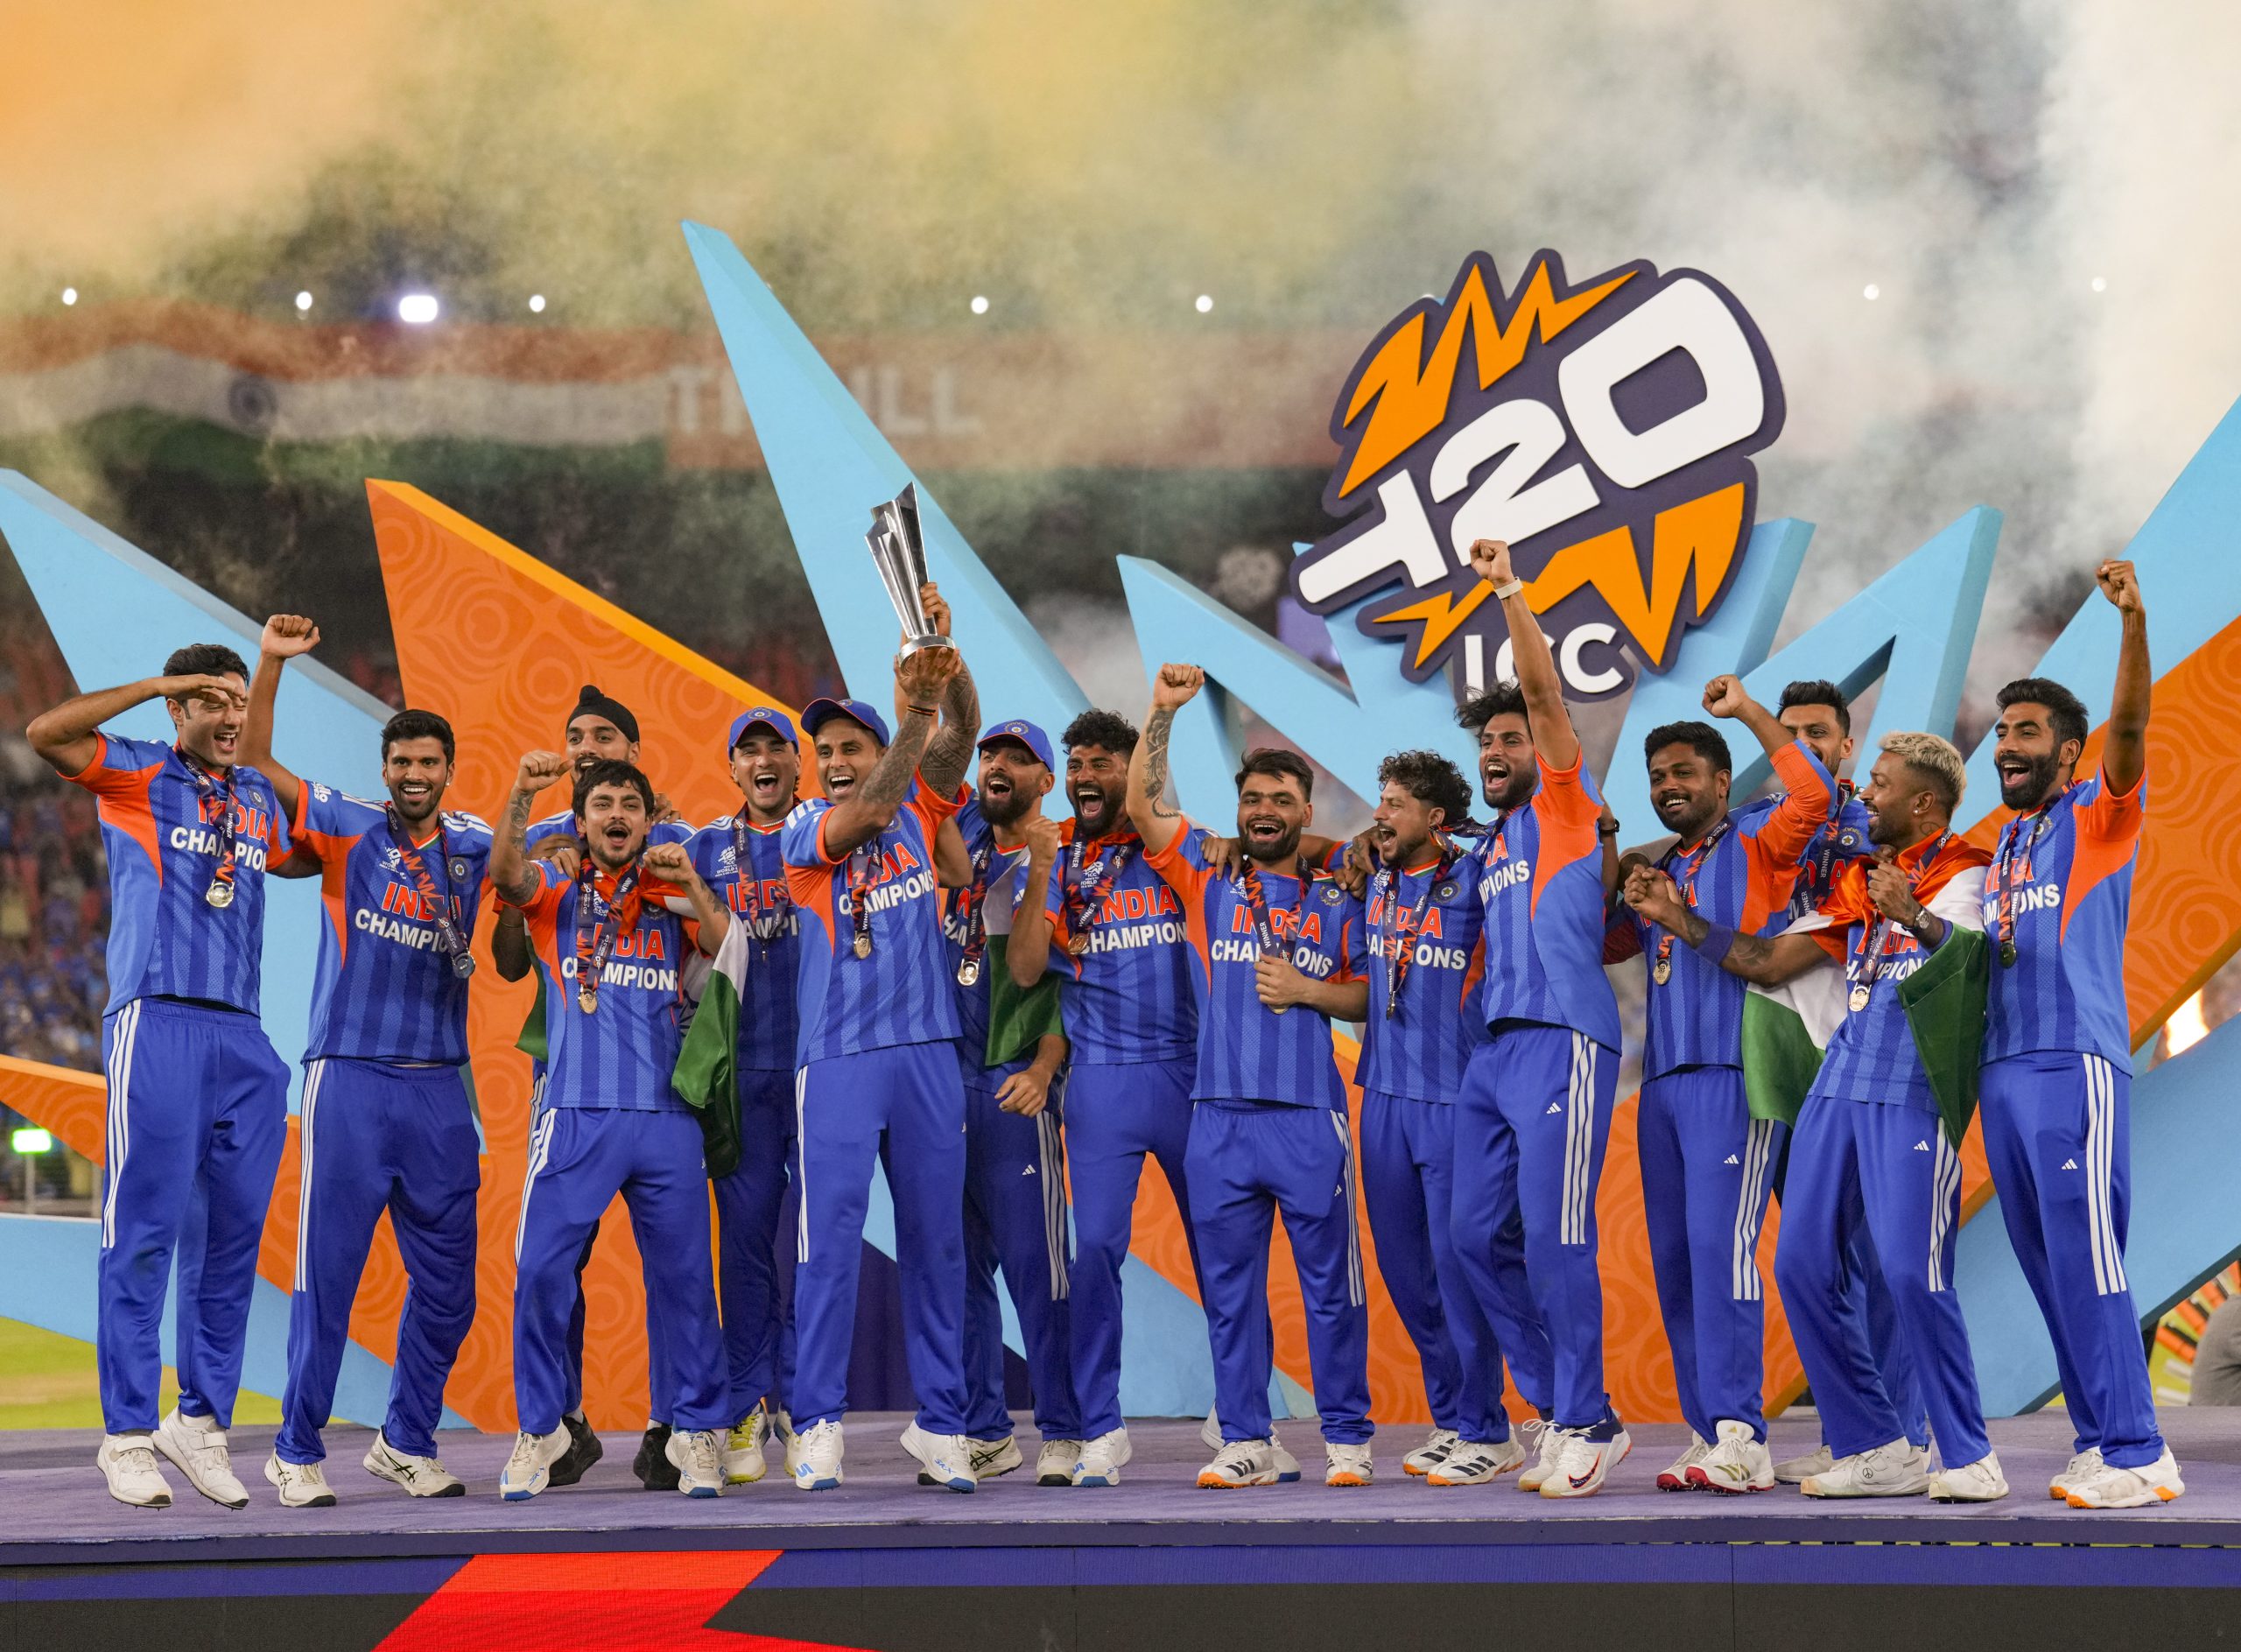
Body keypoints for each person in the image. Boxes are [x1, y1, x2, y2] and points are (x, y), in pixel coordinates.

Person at [1626, 732, 2007, 1501]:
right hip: (1839, 1079)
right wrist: (1677, 917)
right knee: (1800, 1262)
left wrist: (1917, 917)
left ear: (1923, 803)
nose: (1866, 794)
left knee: (1910, 1269)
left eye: (1882, 784)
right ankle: (1875, 1442)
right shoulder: (1862, 886)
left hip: (1908, 1083)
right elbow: (1767, 962)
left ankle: (1969, 1452)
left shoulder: (1966, 867)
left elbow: (1974, 964)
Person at [28, 643, 293, 1508]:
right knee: (143, 1234)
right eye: (208, 701)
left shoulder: (257, 799)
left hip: (244, 1036)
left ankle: (200, 1423)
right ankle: (128, 1436)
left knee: (231, 1246)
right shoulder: (137, 770)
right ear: (177, 711)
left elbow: (310, 853)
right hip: (158, 1018)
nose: (229, 716)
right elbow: (45, 733)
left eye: (237, 702)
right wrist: (152, 685)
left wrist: (269, 671)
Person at [242, 615, 488, 1505]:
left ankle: (406, 1440)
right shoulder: (347, 825)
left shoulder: (475, 846)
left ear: (449, 770)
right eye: (403, 761)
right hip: (348, 1075)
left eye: (429, 762)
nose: (415, 774)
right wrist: (271, 664)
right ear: (386, 769)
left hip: (439, 1088)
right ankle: (296, 1450)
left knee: (450, 1289)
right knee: (329, 1277)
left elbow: (548, 855)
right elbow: (257, 762)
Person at [1127, 665, 1374, 1489]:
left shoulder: (1340, 896)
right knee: (1229, 1292)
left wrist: (1307, 990)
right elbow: (1143, 808)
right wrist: (1162, 710)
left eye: (1281, 800)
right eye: (1253, 799)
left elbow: (1369, 996)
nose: (1264, 810)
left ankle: (1347, 1436)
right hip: (1218, 1119)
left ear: (1306, 812)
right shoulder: (1209, 874)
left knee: (1330, 1289)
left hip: (1307, 1116)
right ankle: (1247, 1438)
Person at [1980, 558, 2181, 1508]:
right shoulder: (2006, 841)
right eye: (2000, 731)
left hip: (2073, 1063)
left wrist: (2132, 622)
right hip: (2003, 1070)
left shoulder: (2098, 814)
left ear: (2069, 753)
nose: (2006, 745)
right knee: (2049, 1266)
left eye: (2026, 732)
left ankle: (2141, 1450)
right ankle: (2099, 1439)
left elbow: (2130, 729)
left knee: (2089, 1254)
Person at [1604, 678, 1832, 1493]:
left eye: (1684, 772)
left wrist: (1745, 712)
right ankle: (1708, 1433)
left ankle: (1742, 1433)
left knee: (1720, 1249)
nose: (1669, 786)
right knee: (1676, 1263)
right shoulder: (1662, 867)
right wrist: (1614, 861)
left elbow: (1816, 794)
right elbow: (1602, 942)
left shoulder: (1760, 836)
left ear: (1721, 780)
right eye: (1657, 777)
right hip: (1663, 1083)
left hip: (1738, 1073)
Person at [489, 754, 735, 1501]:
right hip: (575, 1114)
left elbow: (728, 947)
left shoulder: (671, 891)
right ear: (582, 818)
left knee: (687, 1284)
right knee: (540, 1272)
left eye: (630, 803)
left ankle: (696, 1430)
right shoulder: (556, 886)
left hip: (667, 1118)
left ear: (648, 818)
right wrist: (522, 794)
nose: (617, 815)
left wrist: (690, 881)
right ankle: (542, 1427)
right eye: (603, 803)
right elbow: (505, 877)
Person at [781, 605, 982, 1493]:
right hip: (839, 1057)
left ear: (878, 748)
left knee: (939, 1244)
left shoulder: (923, 804)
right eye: (823, 750)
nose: (834, 761)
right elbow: (864, 815)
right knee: (827, 1245)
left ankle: (943, 1423)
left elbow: (960, 734)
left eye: (849, 746)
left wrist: (945, 660)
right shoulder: (800, 830)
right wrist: (916, 712)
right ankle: (817, 1421)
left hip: (928, 1051)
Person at [1450, 538, 1630, 1498]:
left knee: (1558, 1238)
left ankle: (1589, 1420)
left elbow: (1543, 691)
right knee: (1473, 1238)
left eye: (1510, 738)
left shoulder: (1566, 805)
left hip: (1564, 1039)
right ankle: (1562, 1404)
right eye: (1486, 741)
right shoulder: (1486, 847)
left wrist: (1510, 591)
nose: (1495, 750)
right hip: (1493, 1058)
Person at [1010, 710, 1208, 1487]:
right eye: (1077, 764)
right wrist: (1037, 870)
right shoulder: (1059, 855)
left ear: (1132, 773)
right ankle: (1101, 1425)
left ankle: (1243, 1417)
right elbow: (1027, 971)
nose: (1087, 776)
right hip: (1101, 1079)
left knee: (1221, 1250)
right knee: (1093, 1249)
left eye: (1103, 763)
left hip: (1189, 1073)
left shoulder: (1173, 845)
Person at [1747, 680, 1929, 1485]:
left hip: (1859, 1045)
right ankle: (1855, 1432)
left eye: (1817, 733)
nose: (1804, 746)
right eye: (1789, 733)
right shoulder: (1758, 825)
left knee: (1879, 1249)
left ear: (1846, 745)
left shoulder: (1873, 825)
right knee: (1815, 1250)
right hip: (1783, 1051)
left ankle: (1904, 1432)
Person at [1356, 749, 1555, 1487]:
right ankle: (1454, 1417)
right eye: (1380, 801)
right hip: (1382, 1095)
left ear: (1435, 818)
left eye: (1395, 804)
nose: (1381, 814)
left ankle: (1488, 1427)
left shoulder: (1474, 879)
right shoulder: (1372, 874)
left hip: (1453, 1097)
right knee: (1406, 1274)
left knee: (1460, 1270)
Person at [937, 718, 1082, 1485]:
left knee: (1036, 1267)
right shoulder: (962, 824)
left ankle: (1064, 1426)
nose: (998, 764)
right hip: (942, 1083)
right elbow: (936, 757)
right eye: (991, 753)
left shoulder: (1067, 859)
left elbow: (1069, 981)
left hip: (1012, 1082)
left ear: (1046, 781)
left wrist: (1048, 1063)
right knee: (957, 1269)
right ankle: (985, 1430)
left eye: (1019, 758)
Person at [684, 707, 805, 1486]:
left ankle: (806, 1403)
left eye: (775, 748)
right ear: (733, 768)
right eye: (748, 750)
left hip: (822, 1070)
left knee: (816, 1248)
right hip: (742, 1078)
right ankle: (746, 1404)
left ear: (797, 762)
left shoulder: (830, 834)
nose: (763, 760)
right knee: (745, 1247)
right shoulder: (701, 848)